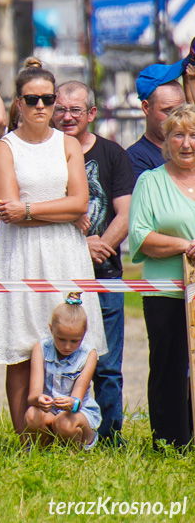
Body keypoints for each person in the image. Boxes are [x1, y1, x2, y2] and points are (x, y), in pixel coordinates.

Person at [0, 61, 106, 435]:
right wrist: (52, 212)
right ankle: (27, 436)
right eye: (32, 99)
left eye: (48, 99)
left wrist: (29, 209)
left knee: (72, 338)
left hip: (64, 253)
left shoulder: (68, 144)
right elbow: (7, 211)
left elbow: (79, 204)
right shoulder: (5, 147)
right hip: (20, 254)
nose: (41, 106)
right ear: (18, 103)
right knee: (23, 347)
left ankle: (72, 426)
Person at [52, 81, 134, 445]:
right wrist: (76, 246)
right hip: (59, 273)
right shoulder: (46, 153)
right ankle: (58, 432)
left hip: (106, 275)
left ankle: (112, 436)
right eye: (60, 109)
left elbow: (126, 212)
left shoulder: (113, 154)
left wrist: (101, 245)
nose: (67, 116)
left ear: (91, 114)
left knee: (108, 364)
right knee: (58, 362)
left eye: (75, 110)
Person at [129, 104, 195, 449]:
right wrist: (185, 245)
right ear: (166, 141)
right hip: (165, 293)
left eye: (193, 135)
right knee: (169, 366)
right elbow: (141, 236)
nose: (186, 143)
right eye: (178, 135)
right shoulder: (150, 181)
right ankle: (170, 440)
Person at [24, 293, 101, 449]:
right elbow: (33, 395)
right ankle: (44, 449)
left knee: (64, 423)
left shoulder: (89, 354)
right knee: (32, 415)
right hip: (50, 410)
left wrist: (71, 403)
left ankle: (80, 446)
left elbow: (78, 399)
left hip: (77, 411)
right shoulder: (41, 348)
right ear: (51, 329)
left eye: (74, 341)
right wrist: (39, 399)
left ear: (84, 334)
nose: (67, 346)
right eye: (61, 339)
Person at [127, 65, 185, 180]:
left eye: (181, 110)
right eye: (168, 111)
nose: (176, 118)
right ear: (146, 107)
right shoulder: (135, 158)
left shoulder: (188, 148)